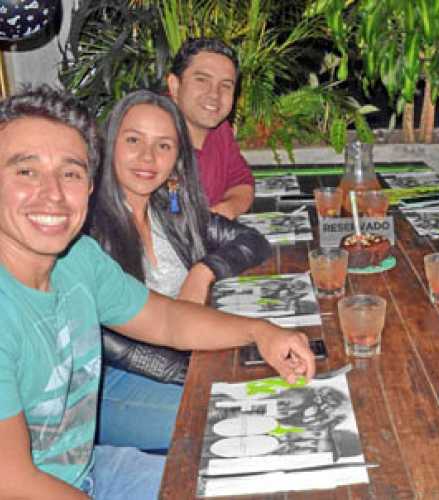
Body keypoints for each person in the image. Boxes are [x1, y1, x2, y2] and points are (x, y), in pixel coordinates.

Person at [0, 85, 314, 499]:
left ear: (90, 186)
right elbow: (13, 483)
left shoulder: (79, 259)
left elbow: (166, 319)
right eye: (27, 171)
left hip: (90, 470)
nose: (53, 193)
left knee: (259, 468)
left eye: (71, 173)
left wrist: (260, 331)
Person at [88, 90, 271, 451]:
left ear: (177, 158)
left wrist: (202, 271)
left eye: (164, 146)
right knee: (243, 423)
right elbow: (107, 340)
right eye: (133, 140)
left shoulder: (170, 210)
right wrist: (192, 370)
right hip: (110, 384)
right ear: (110, 143)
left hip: (185, 351)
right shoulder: (86, 225)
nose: (147, 157)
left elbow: (252, 240)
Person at [167, 37, 254, 219]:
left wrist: (226, 210)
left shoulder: (219, 129)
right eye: (202, 80)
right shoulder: (154, 138)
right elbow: (170, 215)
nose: (214, 94)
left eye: (225, 85)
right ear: (175, 86)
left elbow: (242, 182)